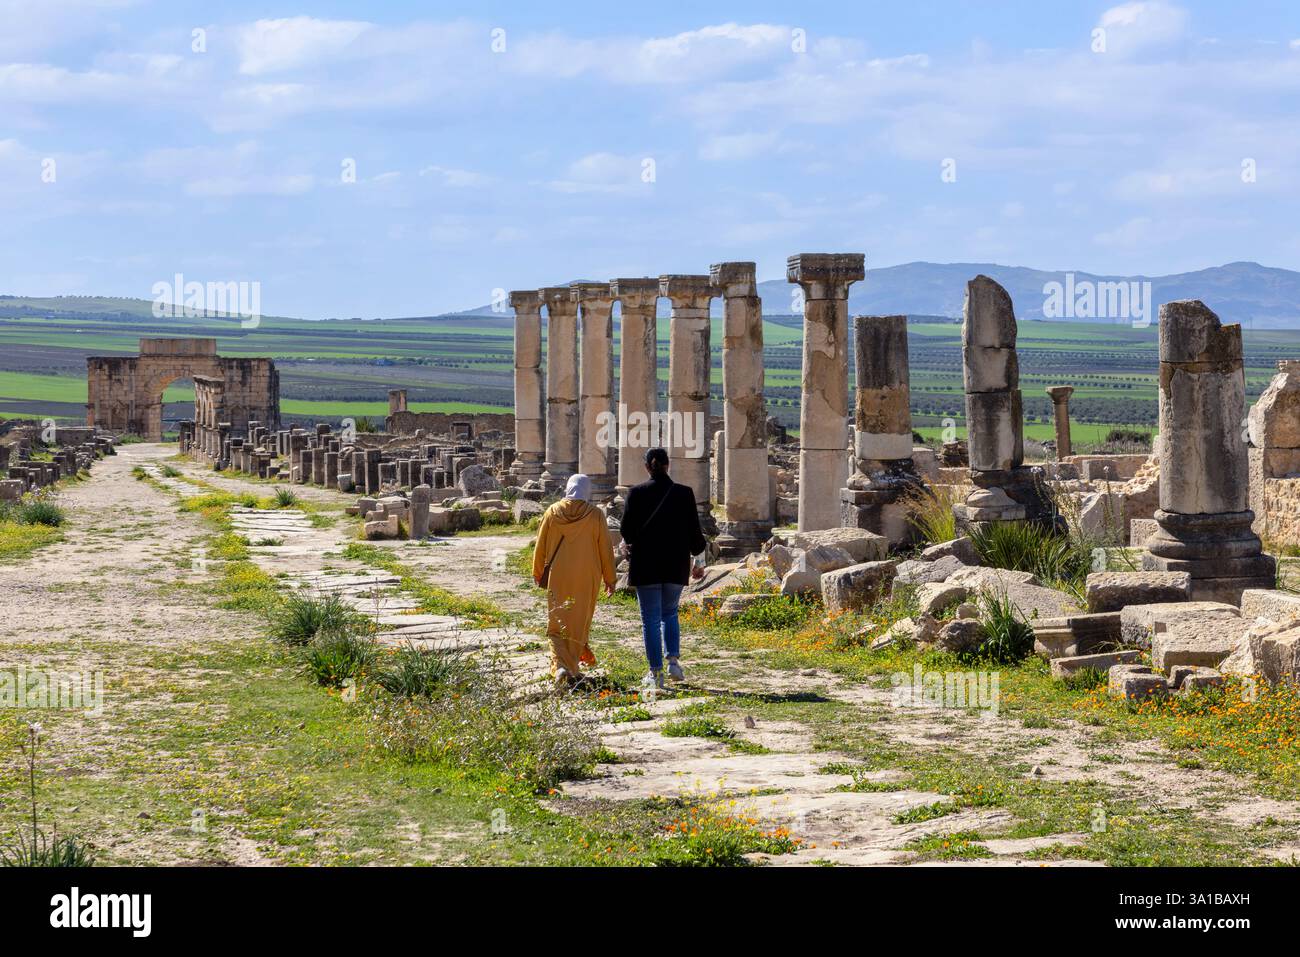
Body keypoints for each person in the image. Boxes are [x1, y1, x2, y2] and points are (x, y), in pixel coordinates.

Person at [619, 447, 707, 688]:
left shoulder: (636, 493)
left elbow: (626, 531)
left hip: (646, 564)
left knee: (649, 619)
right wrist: (698, 560)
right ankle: (673, 662)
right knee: (670, 613)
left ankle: (655, 672)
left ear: (647, 467)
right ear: (668, 465)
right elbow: (695, 534)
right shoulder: (684, 493)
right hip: (675, 564)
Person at [532, 473, 617, 688]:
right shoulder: (596, 515)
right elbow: (605, 549)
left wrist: (537, 571)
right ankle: (569, 668)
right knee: (579, 621)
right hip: (587, 577)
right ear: (587, 491)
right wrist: (610, 578)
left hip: (559, 575)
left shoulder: (552, 512)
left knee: (557, 621)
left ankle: (561, 666)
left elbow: (540, 545)